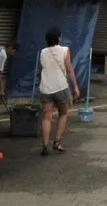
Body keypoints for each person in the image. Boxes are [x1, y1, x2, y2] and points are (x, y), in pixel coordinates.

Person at [37, 27, 80, 156]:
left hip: (46, 88)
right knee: (63, 114)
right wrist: (76, 87)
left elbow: (41, 70)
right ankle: (57, 142)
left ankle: (45, 146)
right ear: (58, 38)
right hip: (60, 88)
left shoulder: (43, 52)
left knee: (46, 117)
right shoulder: (65, 50)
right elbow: (70, 69)